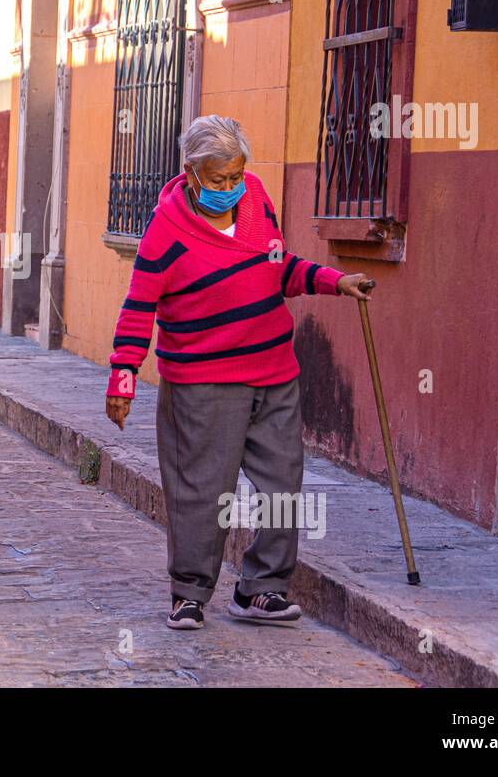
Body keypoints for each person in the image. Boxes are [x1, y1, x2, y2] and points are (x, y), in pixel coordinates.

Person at [104, 115, 373, 631]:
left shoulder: (256, 200)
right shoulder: (165, 231)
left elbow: (281, 268)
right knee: (201, 491)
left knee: (281, 486)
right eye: (218, 178)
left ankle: (261, 590)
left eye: (235, 175)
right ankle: (189, 593)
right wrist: (123, 377)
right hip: (202, 383)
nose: (230, 187)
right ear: (191, 171)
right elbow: (139, 307)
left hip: (274, 372)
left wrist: (336, 282)